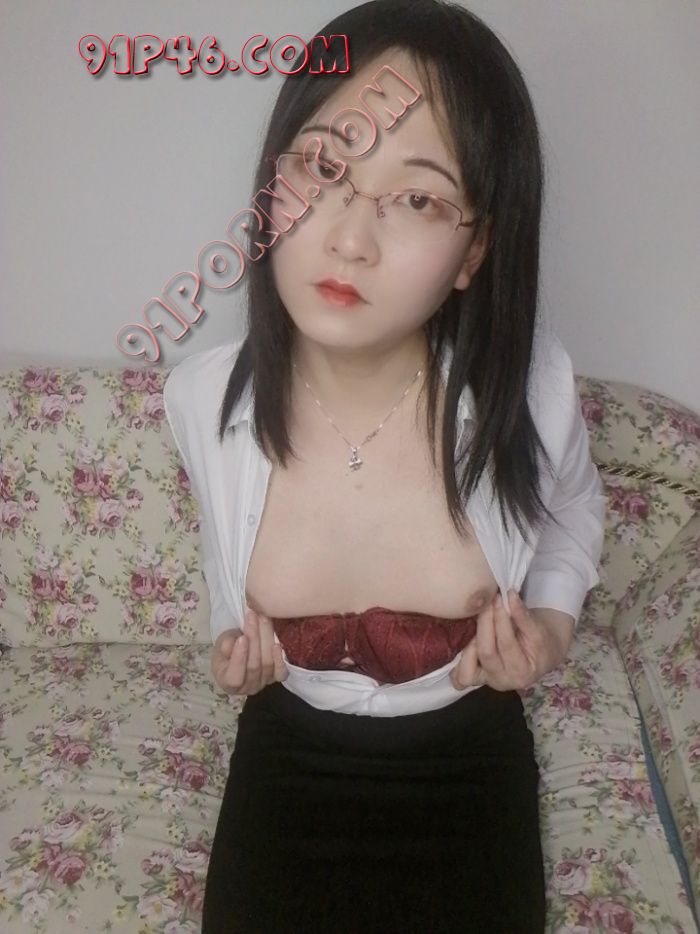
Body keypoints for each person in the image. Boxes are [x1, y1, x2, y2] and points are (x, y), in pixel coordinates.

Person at [162, 1, 607, 931]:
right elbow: (224, 563)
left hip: (468, 761)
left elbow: (572, 512)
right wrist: (231, 650)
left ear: (473, 250)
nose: (350, 238)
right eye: (324, 169)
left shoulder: (530, 392)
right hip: (286, 756)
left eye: (418, 199)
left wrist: (552, 630)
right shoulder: (203, 402)